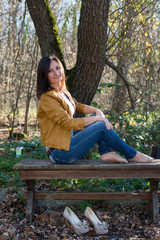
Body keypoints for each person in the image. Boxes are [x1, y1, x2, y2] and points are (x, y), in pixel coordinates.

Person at [37, 54, 153, 164]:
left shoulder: (61, 92)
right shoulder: (47, 98)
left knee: (96, 119)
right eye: (50, 71)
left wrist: (96, 111)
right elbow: (67, 123)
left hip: (66, 141)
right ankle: (132, 154)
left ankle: (106, 153)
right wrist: (98, 119)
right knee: (100, 125)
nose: (56, 72)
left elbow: (76, 106)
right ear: (44, 75)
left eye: (58, 68)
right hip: (59, 153)